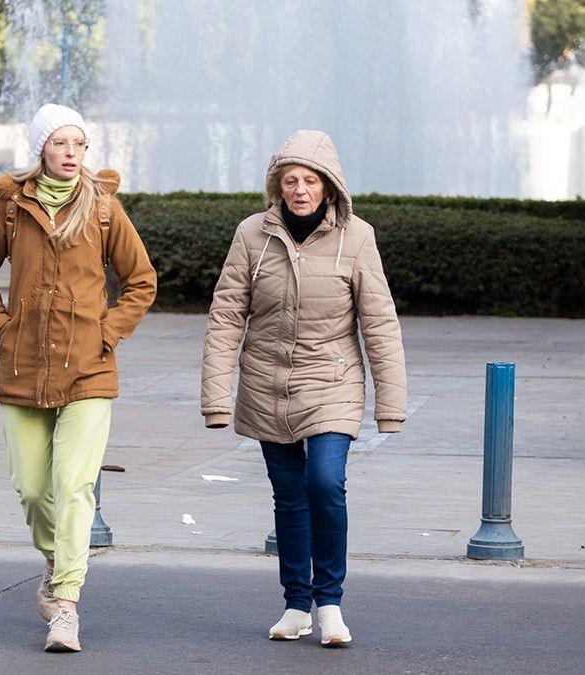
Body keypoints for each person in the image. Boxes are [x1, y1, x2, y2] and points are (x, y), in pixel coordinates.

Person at [0, 103, 157, 652]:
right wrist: (0, 325)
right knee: (31, 489)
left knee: (74, 487)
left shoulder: (104, 208)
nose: (72, 154)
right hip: (22, 366)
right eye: (61, 144)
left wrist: (108, 333)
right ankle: (55, 560)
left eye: (80, 145)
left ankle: (65, 603)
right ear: (41, 148)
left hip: (89, 369)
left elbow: (141, 280)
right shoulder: (10, 208)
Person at [200, 130, 407, 646]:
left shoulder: (357, 237)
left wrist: (391, 404)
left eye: (309, 180)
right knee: (289, 496)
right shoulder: (253, 235)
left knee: (323, 482)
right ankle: (296, 603)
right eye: (290, 180)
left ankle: (330, 603)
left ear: (328, 186)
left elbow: (379, 322)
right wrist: (215, 395)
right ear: (278, 186)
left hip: (332, 380)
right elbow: (226, 315)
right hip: (267, 382)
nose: (299, 189)